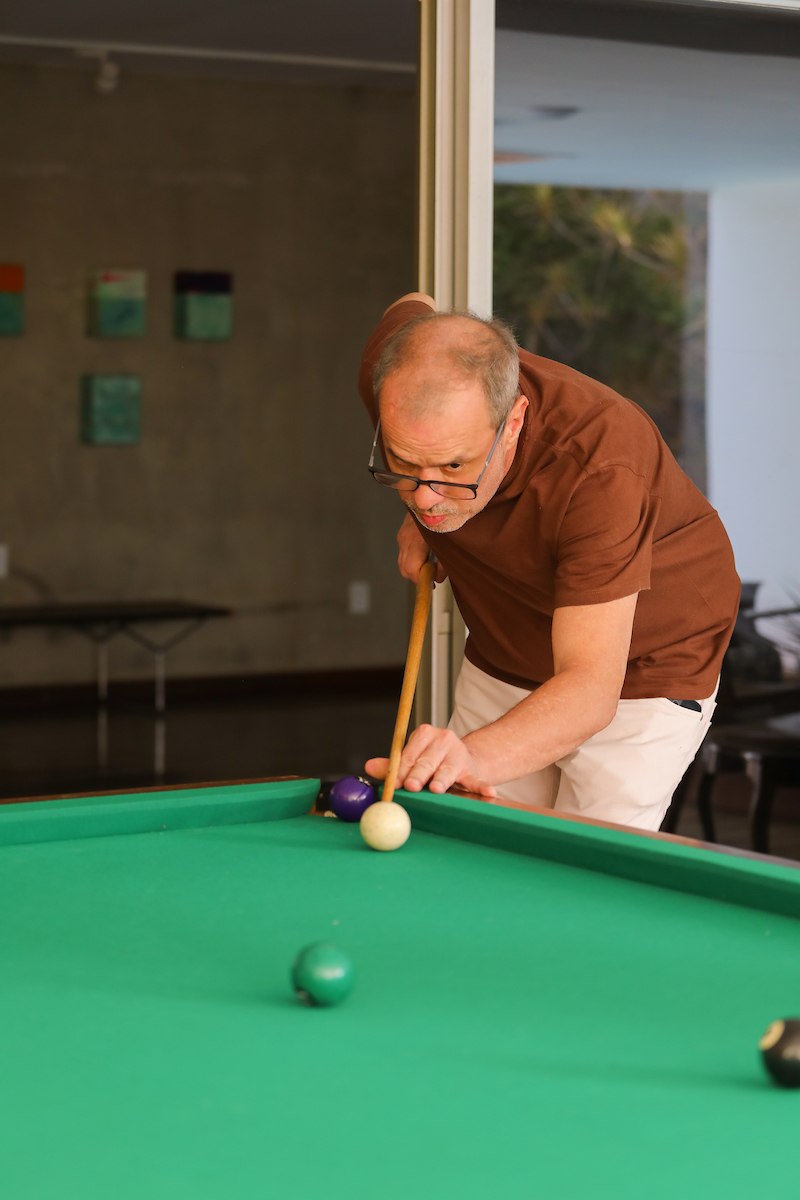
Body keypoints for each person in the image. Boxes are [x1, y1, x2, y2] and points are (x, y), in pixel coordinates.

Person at [357, 293, 740, 830]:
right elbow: (412, 303)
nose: (425, 495)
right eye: (404, 463)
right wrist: (426, 514)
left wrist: (474, 757)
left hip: (639, 665)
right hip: (509, 638)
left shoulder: (601, 467)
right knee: (474, 844)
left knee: (587, 871)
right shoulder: (395, 376)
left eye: (453, 465)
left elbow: (588, 689)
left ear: (513, 421)